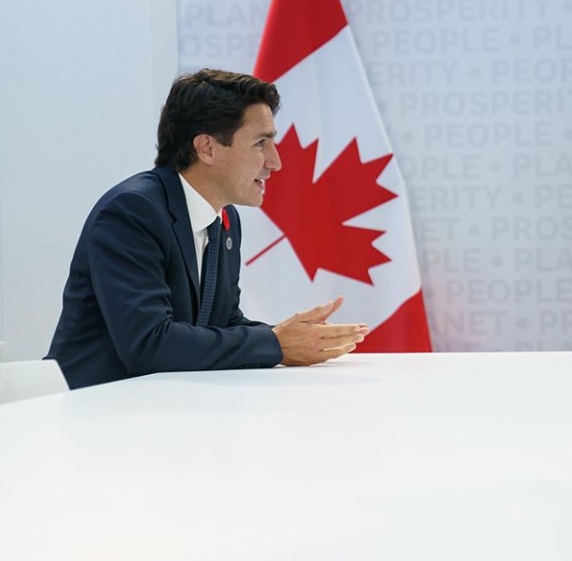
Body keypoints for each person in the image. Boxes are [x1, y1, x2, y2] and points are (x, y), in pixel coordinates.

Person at [46, 69, 369, 389]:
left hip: (159, 409)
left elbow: (223, 326)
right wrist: (275, 342)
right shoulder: (133, 211)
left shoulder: (224, 218)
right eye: (260, 143)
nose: (275, 162)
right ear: (207, 148)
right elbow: (149, 344)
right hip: (91, 410)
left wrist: (294, 338)